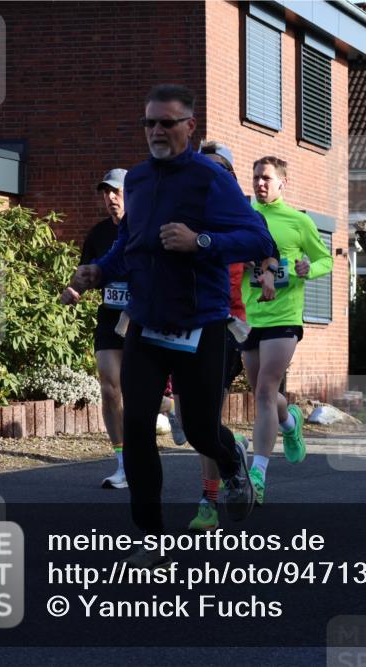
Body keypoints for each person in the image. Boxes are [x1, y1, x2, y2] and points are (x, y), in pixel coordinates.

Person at [64, 84, 277, 565]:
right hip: (145, 323)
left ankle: (229, 458)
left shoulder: (210, 180)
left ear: (189, 126)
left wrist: (200, 241)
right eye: (149, 123)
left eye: (167, 122)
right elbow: (130, 243)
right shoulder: (136, 181)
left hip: (199, 326)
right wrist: (102, 269)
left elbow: (256, 236)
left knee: (200, 430)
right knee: (138, 426)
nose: (157, 131)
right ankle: (149, 533)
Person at [241, 155, 333, 505]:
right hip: (250, 317)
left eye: (266, 178)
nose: (260, 183)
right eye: (256, 178)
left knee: (265, 390)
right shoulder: (245, 219)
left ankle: (258, 472)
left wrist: (309, 267)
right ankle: (291, 420)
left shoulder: (298, 222)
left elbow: (324, 259)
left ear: (283, 183)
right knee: (261, 394)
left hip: (284, 317)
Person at [187, 140, 255, 532]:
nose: (208, 173)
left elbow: (266, 250)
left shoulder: (239, 215)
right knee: (188, 424)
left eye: (218, 168)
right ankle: (232, 451)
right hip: (184, 326)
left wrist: (266, 272)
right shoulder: (184, 213)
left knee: (205, 419)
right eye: (203, 166)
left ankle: (209, 500)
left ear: (228, 175)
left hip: (227, 327)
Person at [64, 168, 130, 489]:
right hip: (109, 318)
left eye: (116, 192)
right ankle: (122, 463)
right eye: (106, 193)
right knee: (109, 386)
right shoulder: (98, 234)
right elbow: (87, 273)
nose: (110, 198)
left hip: (142, 318)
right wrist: (74, 289)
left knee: (140, 390)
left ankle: (171, 409)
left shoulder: (144, 230)